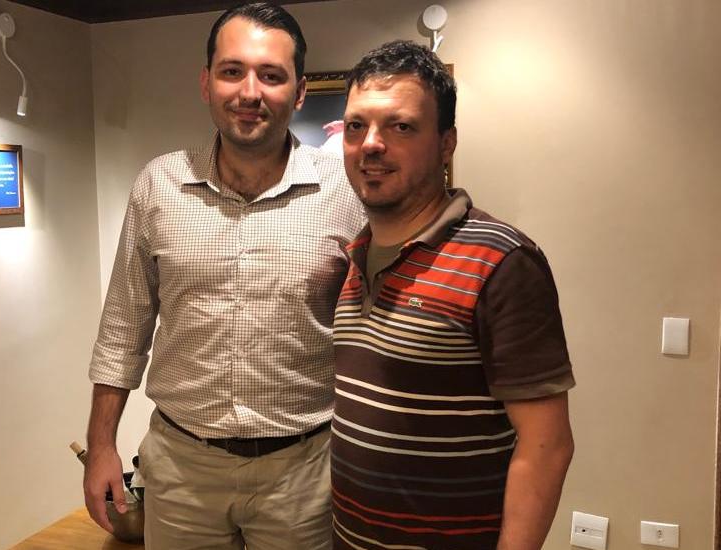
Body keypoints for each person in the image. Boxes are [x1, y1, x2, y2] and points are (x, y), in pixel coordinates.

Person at [84, 3, 364, 549]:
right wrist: (101, 447)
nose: (249, 92)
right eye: (232, 71)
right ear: (206, 83)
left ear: (300, 92)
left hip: (304, 475)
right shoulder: (159, 185)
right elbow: (123, 329)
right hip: (181, 469)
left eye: (271, 75)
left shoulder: (345, 191)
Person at [331, 40, 575, 550]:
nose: (371, 144)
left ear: (447, 144)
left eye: (400, 126)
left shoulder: (503, 261)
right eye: (356, 126)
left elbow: (547, 446)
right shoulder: (355, 254)